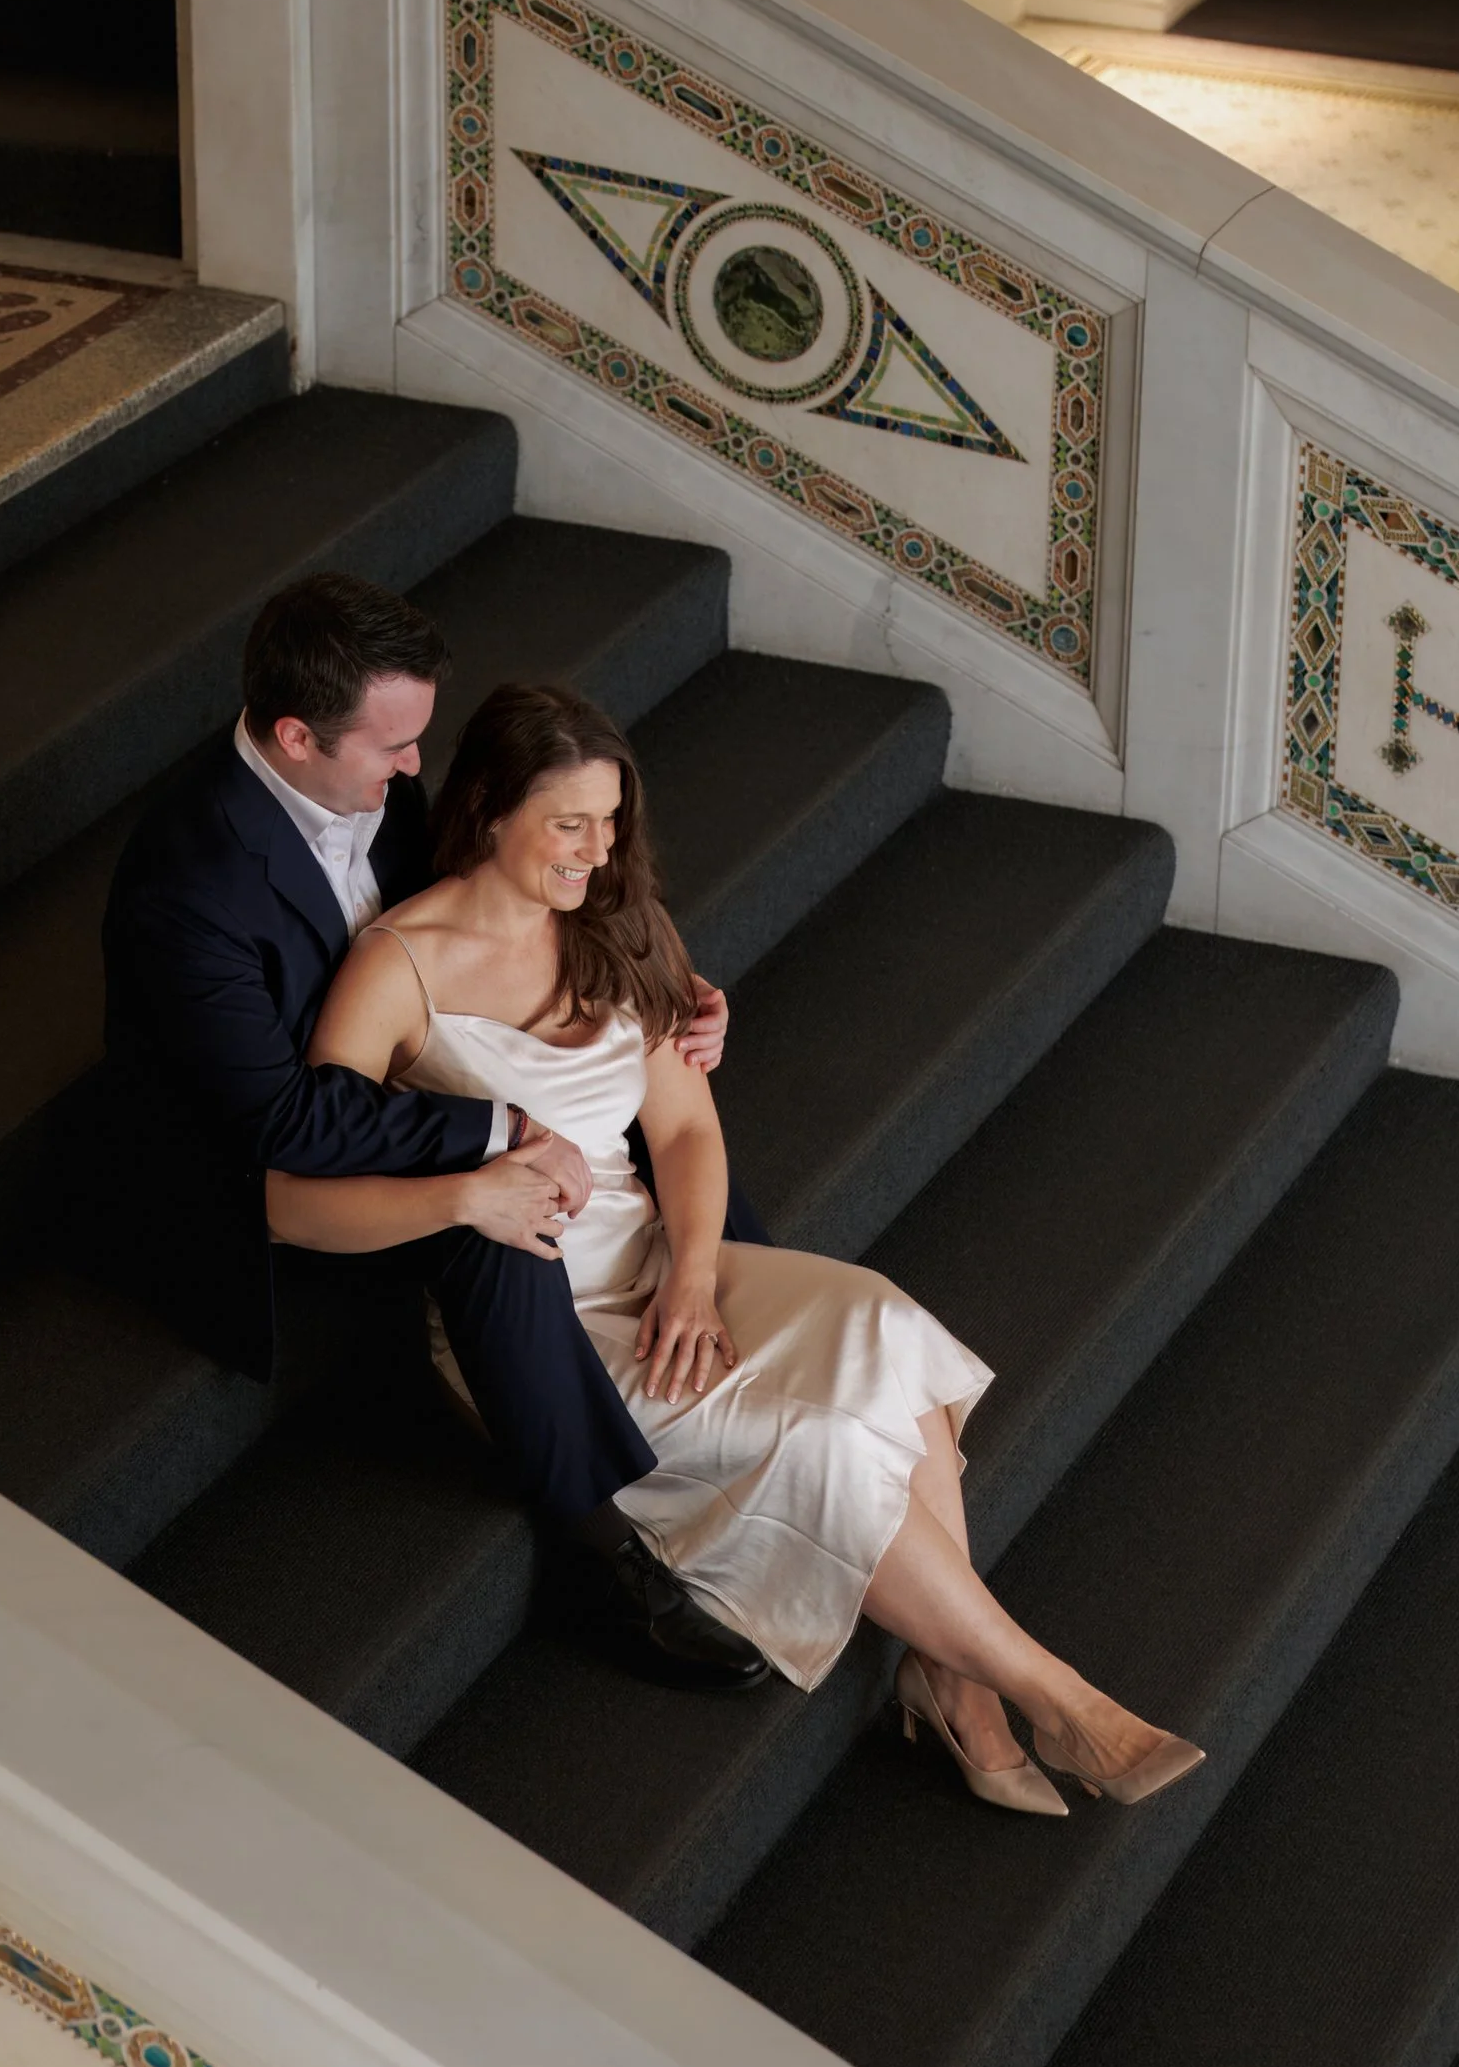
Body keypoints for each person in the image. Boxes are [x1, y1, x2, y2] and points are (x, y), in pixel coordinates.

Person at [267, 682, 1205, 1814]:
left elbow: (680, 1129)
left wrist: (695, 1276)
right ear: (489, 812)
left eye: (610, 822)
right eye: (569, 824)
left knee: (883, 1334)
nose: (597, 851)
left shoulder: (618, 920)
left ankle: (953, 1682)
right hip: (536, 1311)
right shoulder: (396, 968)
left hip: (663, 1257)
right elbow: (290, 1202)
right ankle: (1052, 1697)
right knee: (811, 1441)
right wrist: (463, 1200)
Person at [100, 576, 768, 1683]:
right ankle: (604, 1544)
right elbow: (283, 1120)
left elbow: (472, 903)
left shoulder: (371, 787)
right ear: (294, 734)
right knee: (489, 1216)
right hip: (253, 1170)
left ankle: (734, 1314)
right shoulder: (189, 886)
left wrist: (655, 984)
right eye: (394, 746)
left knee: (653, 1116)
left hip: (383, 1071)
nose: (417, 767)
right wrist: (500, 1125)